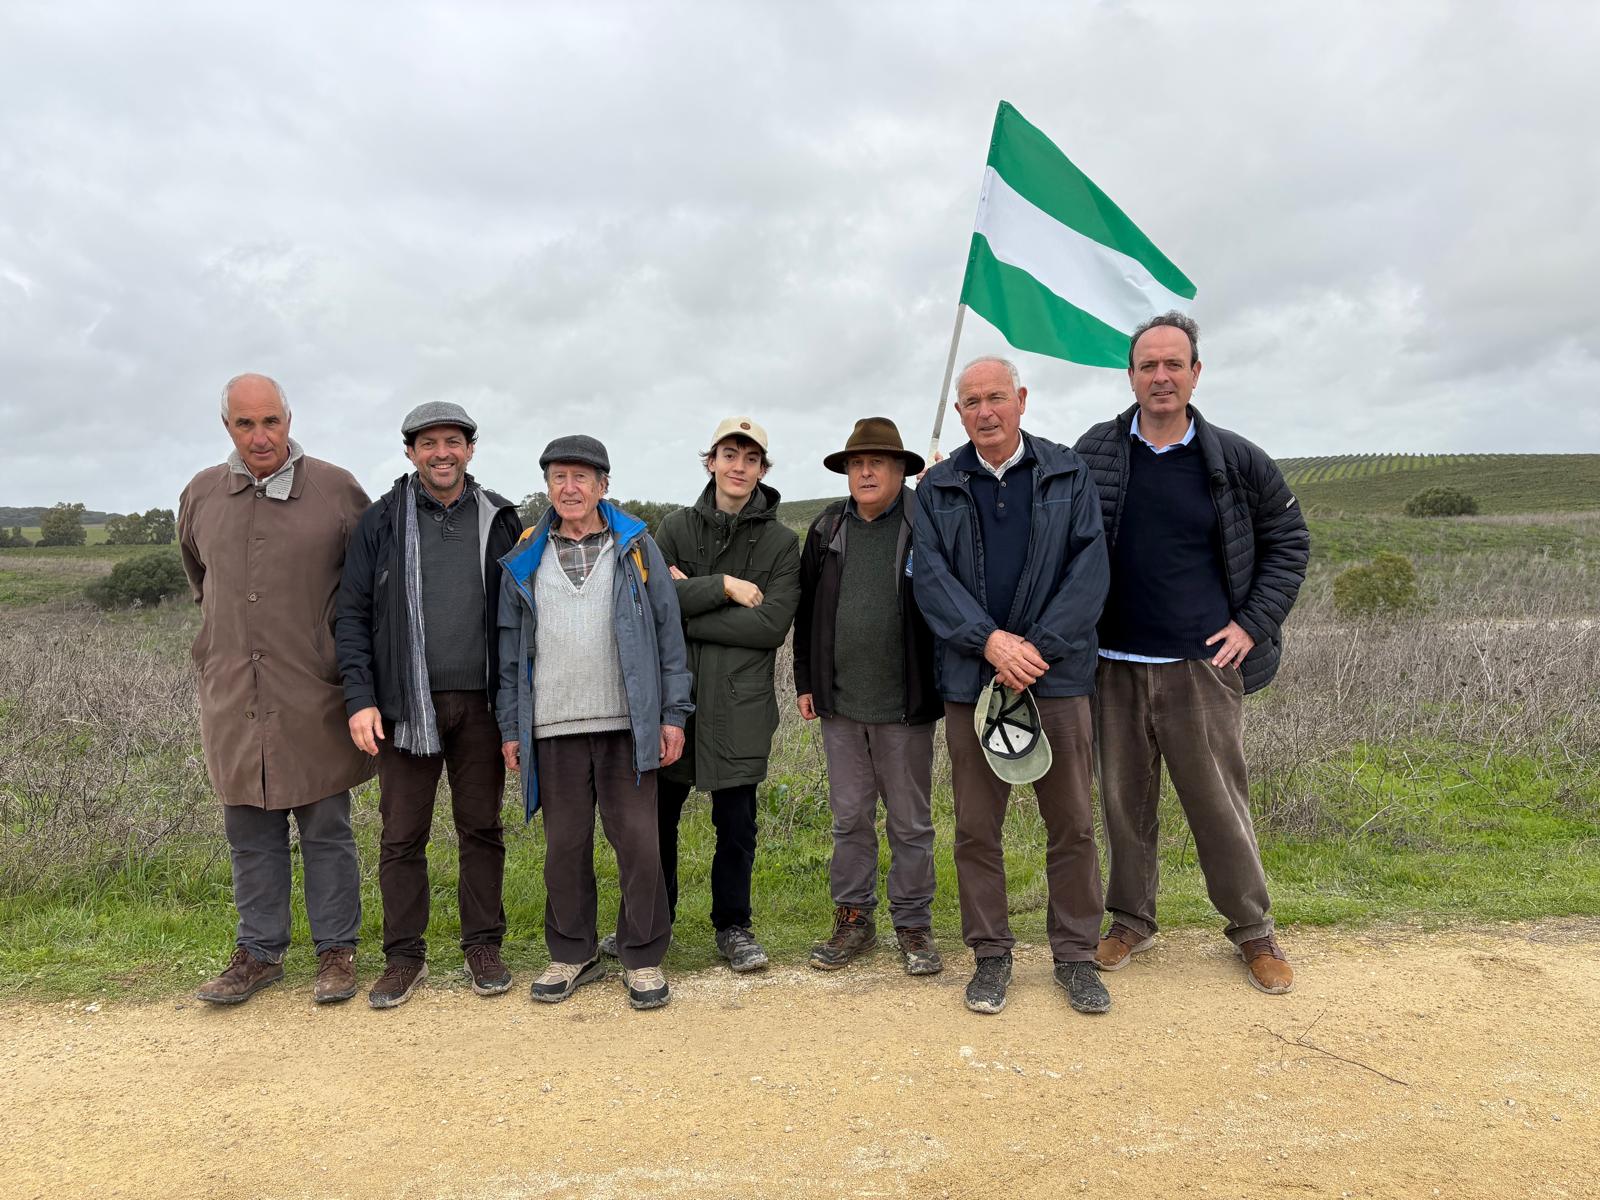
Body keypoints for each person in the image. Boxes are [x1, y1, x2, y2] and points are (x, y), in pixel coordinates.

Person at [1074, 312, 1309, 994]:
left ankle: (1253, 929)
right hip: (1112, 665)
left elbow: (1289, 540)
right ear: (1130, 375)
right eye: (1148, 365)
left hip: (1202, 668)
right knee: (1124, 806)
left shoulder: (1234, 459)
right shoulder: (1095, 452)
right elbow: (1042, 513)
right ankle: (1129, 921)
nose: (1161, 376)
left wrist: (1252, 625)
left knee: (1218, 806)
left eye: (1173, 364)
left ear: (1196, 373)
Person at [912, 356, 1111, 1016]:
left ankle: (1076, 956)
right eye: (972, 402)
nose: (985, 411)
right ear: (959, 412)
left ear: (1022, 399)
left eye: (996, 397)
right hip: (972, 680)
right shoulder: (937, 487)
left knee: (1072, 823)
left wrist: (1036, 649)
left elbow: (1089, 571)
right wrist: (990, 642)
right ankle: (991, 954)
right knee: (976, 828)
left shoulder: (1066, 473)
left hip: (1058, 680)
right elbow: (931, 580)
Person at [179, 373, 373, 1006]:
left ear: (289, 420)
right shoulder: (201, 494)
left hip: (313, 691)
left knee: (326, 828)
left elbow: (366, 586)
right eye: (245, 424)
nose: (260, 436)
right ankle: (258, 954)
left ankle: (336, 952)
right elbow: (201, 579)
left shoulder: (336, 490)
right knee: (248, 830)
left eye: (271, 421)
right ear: (227, 427)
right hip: (234, 692)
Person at [335, 401, 523, 1008]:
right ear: (410, 452)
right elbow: (352, 614)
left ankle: (483, 946)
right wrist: (360, 698)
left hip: (482, 704)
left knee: (482, 828)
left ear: (470, 448)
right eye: (428, 443)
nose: (442, 453)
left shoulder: (500, 517)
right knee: (402, 835)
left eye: (452, 441)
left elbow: (524, 613)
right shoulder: (381, 520)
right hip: (404, 704)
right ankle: (403, 957)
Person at [496, 435, 692, 1010]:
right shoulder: (526, 552)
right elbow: (509, 651)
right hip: (552, 726)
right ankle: (572, 952)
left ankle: (642, 956)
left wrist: (673, 715)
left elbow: (668, 634)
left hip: (627, 725)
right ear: (547, 486)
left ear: (604, 485)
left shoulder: (636, 546)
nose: (570, 487)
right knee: (564, 846)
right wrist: (511, 727)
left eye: (582, 477)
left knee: (639, 843)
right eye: (559, 477)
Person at [648, 417, 801, 972]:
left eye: (751, 458)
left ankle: (733, 927)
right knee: (657, 822)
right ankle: (652, 925)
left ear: (762, 470)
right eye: (729, 455)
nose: (739, 466)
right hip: (675, 702)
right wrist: (725, 588)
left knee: (736, 827)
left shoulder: (782, 543)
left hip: (741, 706)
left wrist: (689, 604)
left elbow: (770, 627)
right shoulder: (673, 529)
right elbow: (652, 605)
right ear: (710, 461)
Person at [794, 417, 943, 975]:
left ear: (901, 469)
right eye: (857, 463)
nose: (866, 472)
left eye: (877, 462)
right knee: (850, 817)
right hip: (840, 705)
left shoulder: (926, 521)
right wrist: (805, 681)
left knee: (910, 822)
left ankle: (913, 924)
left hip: (906, 705)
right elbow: (807, 612)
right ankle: (854, 918)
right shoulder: (827, 529)